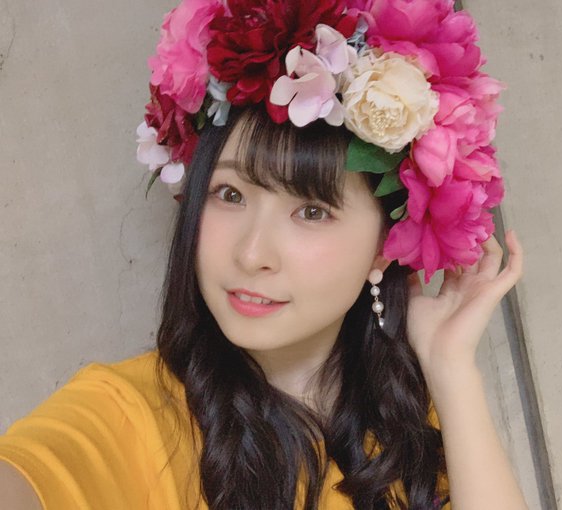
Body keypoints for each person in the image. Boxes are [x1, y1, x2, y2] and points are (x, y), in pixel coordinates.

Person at [0, 1, 529, 509]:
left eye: (312, 212)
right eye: (230, 195)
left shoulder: (415, 426)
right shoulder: (124, 418)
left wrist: (451, 368)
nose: (252, 254)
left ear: (386, 247)